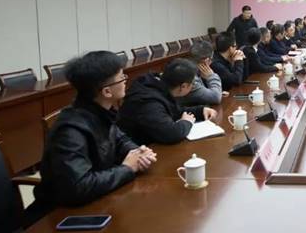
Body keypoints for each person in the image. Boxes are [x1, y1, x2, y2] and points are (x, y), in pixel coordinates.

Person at [34, 51, 157, 211]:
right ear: (107, 92)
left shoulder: (100, 112)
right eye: (121, 77)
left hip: (99, 200)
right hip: (59, 214)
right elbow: (78, 187)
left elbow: (120, 140)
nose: (125, 81)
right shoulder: (70, 131)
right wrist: (127, 169)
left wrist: (138, 153)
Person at [118, 59, 218, 145]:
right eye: (192, 83)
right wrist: (186, 122)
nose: (193, 86)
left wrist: (200, 111)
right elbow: (171, 134)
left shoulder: (159, 85)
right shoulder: (149, 102)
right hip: (140, 150)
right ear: (183, 86)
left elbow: (173, 111)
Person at [180, 40, 227, 106]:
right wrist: (211, 76)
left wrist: (215, 91)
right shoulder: (190, 77)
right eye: (212, 58)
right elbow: (216, 98)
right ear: (206, 60)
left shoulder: (190, 69)